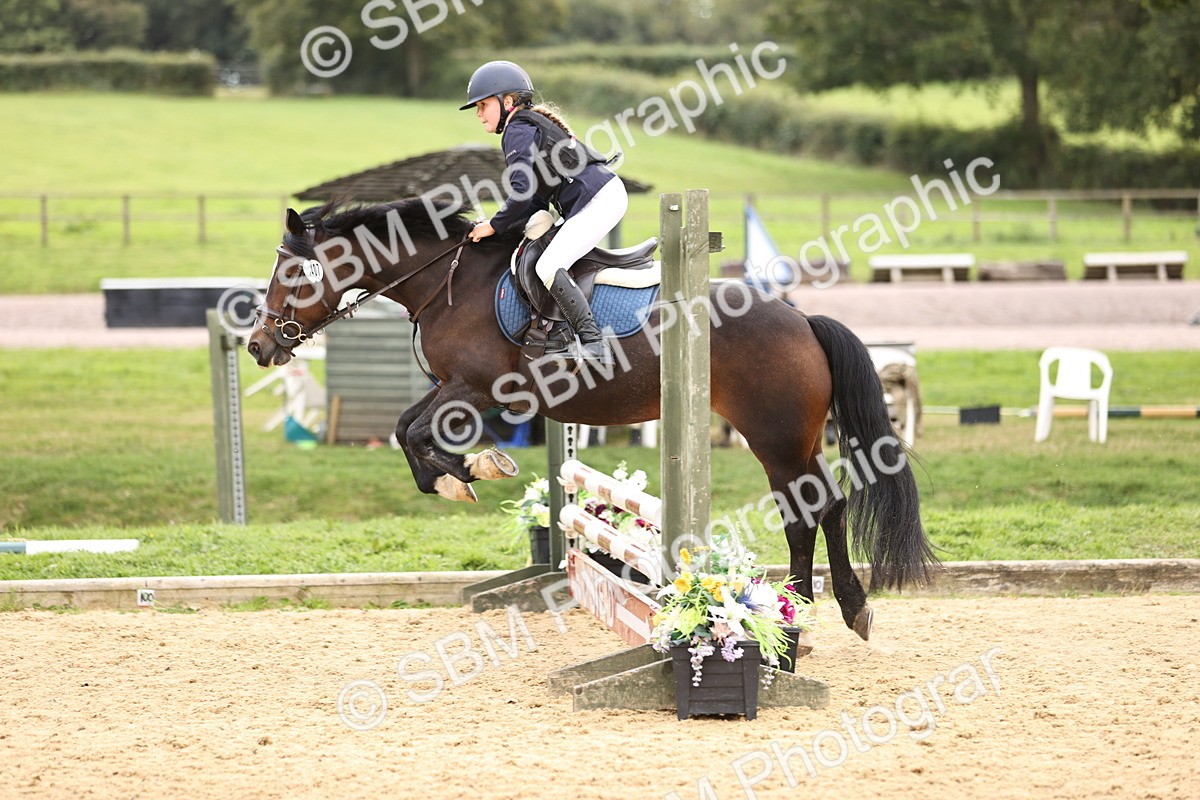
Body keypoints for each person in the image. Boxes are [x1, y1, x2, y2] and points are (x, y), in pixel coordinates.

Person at [460, 60, 625, 367]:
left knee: (549, 265)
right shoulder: (525, 126)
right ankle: (559, 335)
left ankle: (593, 343)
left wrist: (494, 226)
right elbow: (535, 199)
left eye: (483, 105)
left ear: (507, 101)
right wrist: (502, 227)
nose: (479, 113)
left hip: (599, 199)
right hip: (599, 197)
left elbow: (521, 192)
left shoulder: (516, 131)